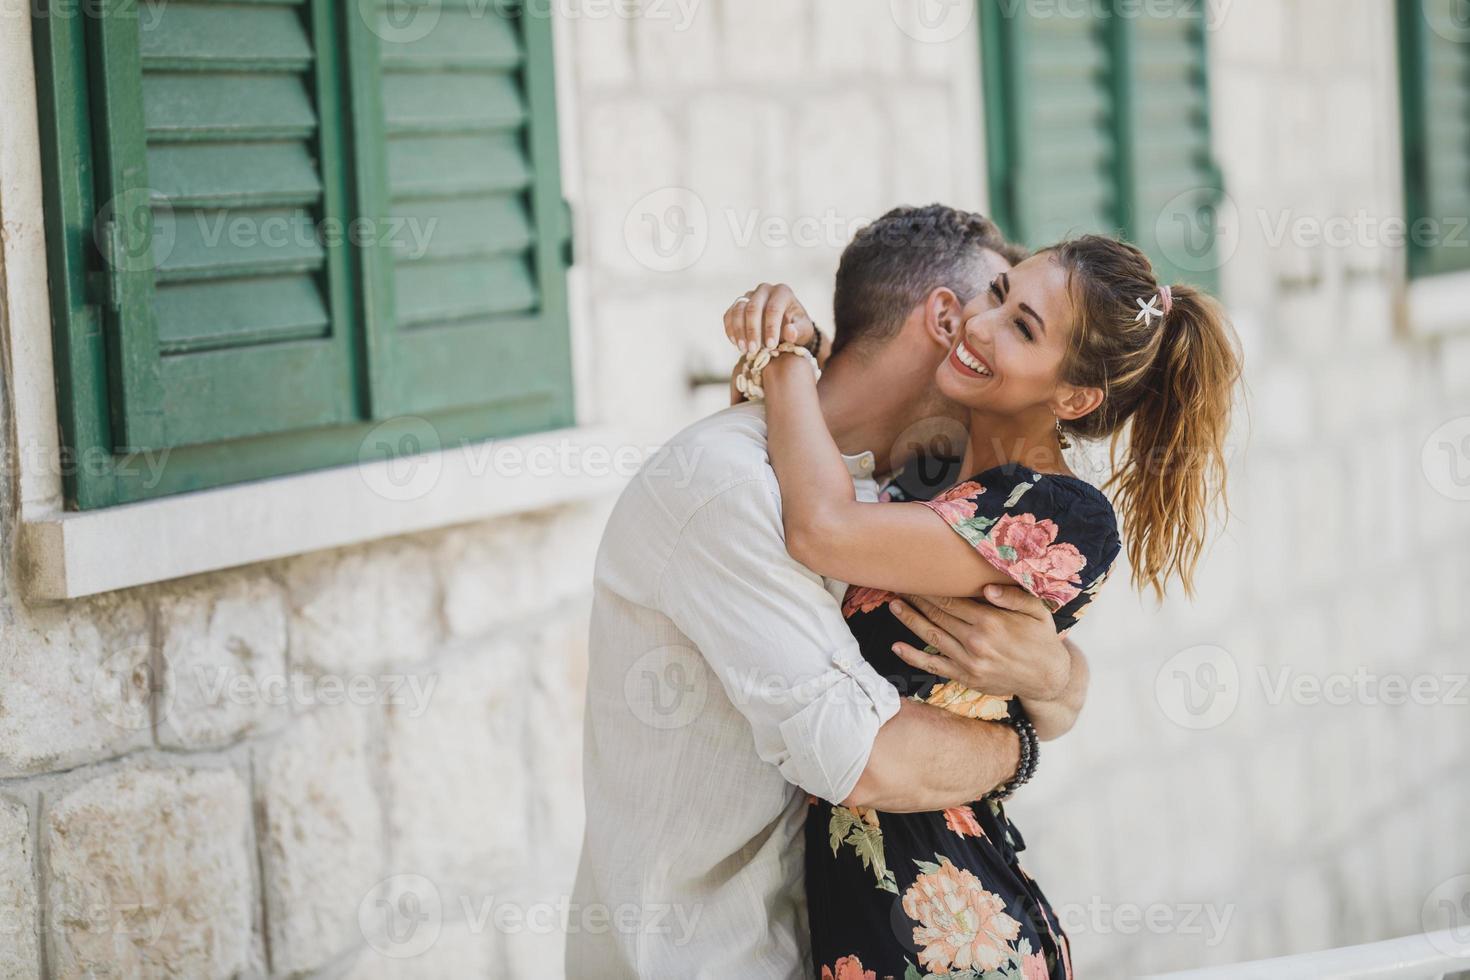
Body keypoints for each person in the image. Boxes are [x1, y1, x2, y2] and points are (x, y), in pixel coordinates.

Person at [569, 207, 1092, 980]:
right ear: (947, 323)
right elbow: (863, 758)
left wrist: (1054, 676)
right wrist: (1017, 749)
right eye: (997, 307)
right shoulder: (729, 486)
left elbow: (1033, 662)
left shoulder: (885, 496)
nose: (1004, 355)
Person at [725, 233, 1242, 979]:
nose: (981, 325)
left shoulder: (1063, 513)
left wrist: (784, 359)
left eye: (1023, 328)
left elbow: (820, 528)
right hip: (857, 920)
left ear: (1073, 397)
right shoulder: (931, 461)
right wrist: (796, 337)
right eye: (998, 296)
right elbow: (790, 462)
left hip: (955, 933)